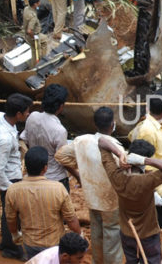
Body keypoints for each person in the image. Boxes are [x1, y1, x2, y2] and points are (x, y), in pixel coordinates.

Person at [54, 107, 123, 264]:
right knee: (112, 237)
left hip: (92, 197)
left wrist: (79, 173)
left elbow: (60, 156)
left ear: (95, 124)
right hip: (111, 201)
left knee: (97, 233)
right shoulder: (117, 148)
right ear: (112, 124)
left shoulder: (82, 141)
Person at [99, 136, 162, 264]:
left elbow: (102, 142)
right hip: (149, 236)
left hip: (127, 234)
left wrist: (120, 153)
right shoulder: (147, 181)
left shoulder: (117, 177)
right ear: (141, 162)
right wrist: (146, 160)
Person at [5, 146, 81, 259]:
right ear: (45, 168)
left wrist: (15, 235)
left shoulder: (13, 190)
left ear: (25, 166)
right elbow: (71, 219)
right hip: (54, 245)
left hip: (29, 244)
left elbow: (11, 220)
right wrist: (80, 234)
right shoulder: (58, 189)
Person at [0, 93, 33, 260]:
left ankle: (6, 243)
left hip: (8, 174)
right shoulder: (5, 140)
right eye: (27, 112)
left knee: (8, 214)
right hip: (10, 178)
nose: (28, 114)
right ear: (19, 114)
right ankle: (12, 249)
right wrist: (11, 187)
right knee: (14, 216)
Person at [129, 91, 162, 238]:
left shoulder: (160, 123)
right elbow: (144, 162)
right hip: (161, 188)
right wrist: (154, 191)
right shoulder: (147, 130)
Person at [21, 84, 70, 191]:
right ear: (61, 106)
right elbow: (63, 160)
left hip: (35, 177)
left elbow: (26, 139)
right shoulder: (60, 131)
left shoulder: (32, 117)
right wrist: (78, 175)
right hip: (55, 179)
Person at [22, 0, 48, 65]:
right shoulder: (32, 16)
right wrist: (34, 38)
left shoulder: (26, 8)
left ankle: (41, 59)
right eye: (38, 2)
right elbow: (29, 30)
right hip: (33, 35)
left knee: (45, 40)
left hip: (27, 35)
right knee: (36, 52)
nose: (40, 3)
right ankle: (40, 63)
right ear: (35, 4)